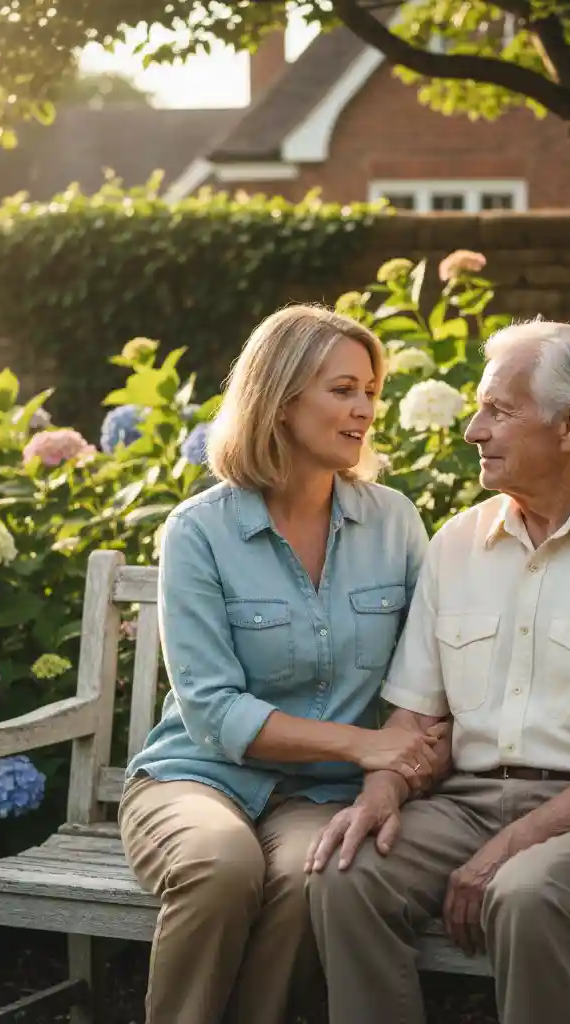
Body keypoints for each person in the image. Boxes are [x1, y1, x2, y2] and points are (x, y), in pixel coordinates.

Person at [304, 319, 570, 1024]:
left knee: (526, 894)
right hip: (465, 806)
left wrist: (514, 842)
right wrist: (381, 791)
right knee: (347, 875)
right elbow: (414, 717)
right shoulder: (457, 544)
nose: (474, 431)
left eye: (499, 411)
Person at [119, 304, 448, 1024]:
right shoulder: (198, 531)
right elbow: (212, 710)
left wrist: (384, 770)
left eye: (370, 391)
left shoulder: (393, 521)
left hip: (322, 797)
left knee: (313, 874)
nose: (364, 409)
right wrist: (362, 744)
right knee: (219, 866)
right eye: (342, 390)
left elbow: (426, 677)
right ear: (280, 399)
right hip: (198, 777)